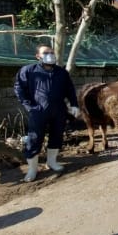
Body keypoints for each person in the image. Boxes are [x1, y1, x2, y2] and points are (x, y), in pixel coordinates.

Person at [14, 44, 80, 182]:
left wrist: (74, 104)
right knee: (34, 138)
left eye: (51, 52)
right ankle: (32, 169)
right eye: (46, 52)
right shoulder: (29, 71)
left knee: (57, 135)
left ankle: (52, 162)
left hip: (59, 109)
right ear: (38, 56)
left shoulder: (61, 72)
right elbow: (19, 88)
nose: (50, 54)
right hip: (38, 110)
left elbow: (70, 89)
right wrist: (29, 106)